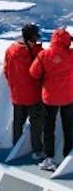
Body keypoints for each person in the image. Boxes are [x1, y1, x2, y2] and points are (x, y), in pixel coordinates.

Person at [30, 28, 73, 171]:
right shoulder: (71, 55)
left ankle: (49, 159)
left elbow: (33, 73)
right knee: (69, 128)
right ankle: (68, 157)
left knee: (49, 128)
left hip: (50, 98)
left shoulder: (44, 55)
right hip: (68, 97)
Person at [4, 23, 44, 158]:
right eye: (34, 39)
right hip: (33, 96)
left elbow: (6, 70)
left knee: (18, 123)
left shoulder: (10, 50)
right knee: (36, 124)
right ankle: (37, 150)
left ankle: (16, 148)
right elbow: (42, 73)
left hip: (17, 95)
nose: (36, 42)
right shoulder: (37, 53)